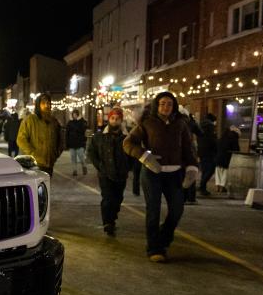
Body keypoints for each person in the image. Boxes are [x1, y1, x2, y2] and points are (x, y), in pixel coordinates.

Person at [123, 91, 199, 263]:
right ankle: (154, 248)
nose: (166, 106)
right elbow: (128, 143)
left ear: (174, 106)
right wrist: (144, 157)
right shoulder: (147, 123)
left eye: (170, 104)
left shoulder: (181, 124)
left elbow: (189, 148)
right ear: (157, 105)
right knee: (153, 210)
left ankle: (163, 239)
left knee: (177, 209)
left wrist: (192, 168)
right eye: (163, 103)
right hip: (152, 173)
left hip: (175, 174)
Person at [87, 107, 133, 236]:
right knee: (107, 198)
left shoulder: (127, 137)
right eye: (113, 118)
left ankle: (112, 217)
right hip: (105, 173)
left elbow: (132, 154)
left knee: (118, 198)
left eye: (117, 119)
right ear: (109, 119)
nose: (115, 121)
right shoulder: (99, 136)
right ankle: (108, 222)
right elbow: (92, 152)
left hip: (121, 174)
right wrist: (100, 166)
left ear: (121, 120)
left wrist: (128, 166)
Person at [17, 92, 64, 176]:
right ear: (38, 105)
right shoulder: (30, 120)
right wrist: (32, 154)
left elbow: (60, 140)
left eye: (48, 103)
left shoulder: (54, 122)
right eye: (43, 103)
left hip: (49, 163)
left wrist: (56, 154)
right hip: (34, 164)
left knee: (47, 186)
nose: (47, 105)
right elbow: (21, 139)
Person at [214, 125, 241, 193]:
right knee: (225, 173)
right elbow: (236, 149)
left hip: (218, 157)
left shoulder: (222, 137)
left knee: (218, 172)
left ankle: (217, 186)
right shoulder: (234, 138)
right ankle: (222, 187)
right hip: (227, 158)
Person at [183, 111, 202, 205]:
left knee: (180, 175)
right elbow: (200, 133)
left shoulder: (173, 121)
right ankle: (190, 198)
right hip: (189, 150)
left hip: (177, 152)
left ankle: (182, 197)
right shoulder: (190, 122)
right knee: (191, 173)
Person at [197, 113, 218, 196]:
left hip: (202, 150)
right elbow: (212, 140)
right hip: (209, 151)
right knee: (210, 169)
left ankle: (203, 187)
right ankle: (202, 186)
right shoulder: (210, 126)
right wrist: (216, 147)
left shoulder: (201, 125)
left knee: (205, 169)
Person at [65, 109, 89, 176]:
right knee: (73, 157)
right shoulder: (70, 123)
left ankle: (84, 166)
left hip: (79, 143)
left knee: (81, 156)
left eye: (75, 114)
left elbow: (85, 128)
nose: (74, 116)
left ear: (78, 115)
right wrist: (67, 143)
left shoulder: (81, 122)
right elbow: (67, 133)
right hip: (72, 143)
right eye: (73, 115)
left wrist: (81, 119)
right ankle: (74, 170)